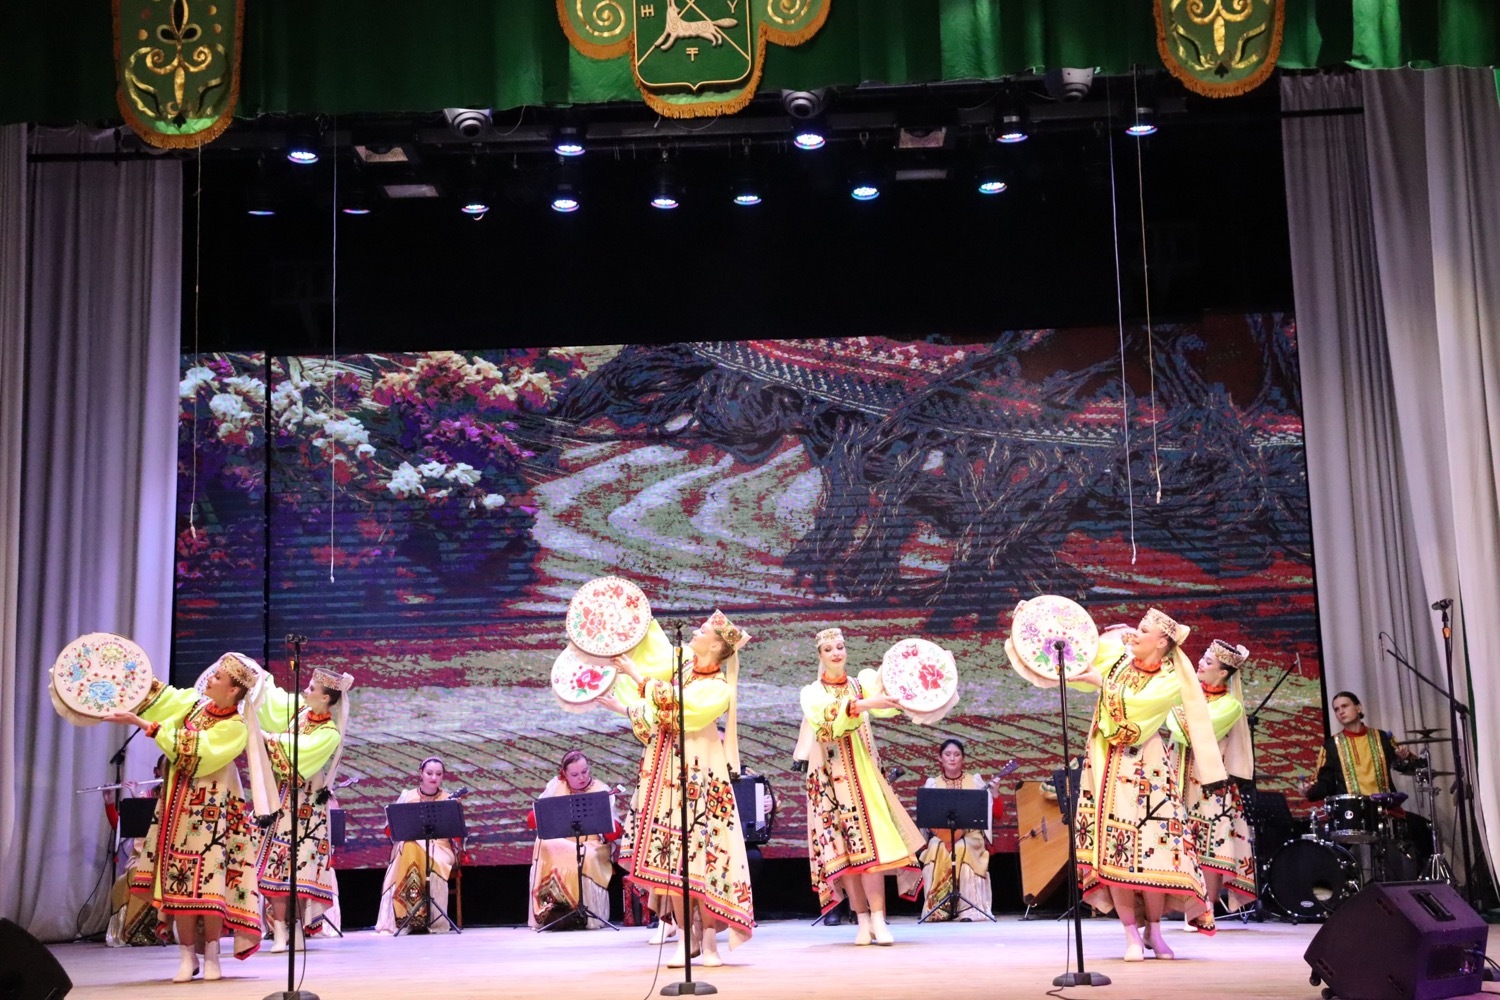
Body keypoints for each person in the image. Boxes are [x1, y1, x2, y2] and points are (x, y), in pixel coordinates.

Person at [1007, 606, 1227, 962]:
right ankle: (1131, 935)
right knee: (1113, 851)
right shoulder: (1119, 655)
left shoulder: (1171, 678)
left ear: (1162, 642)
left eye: (1144, 630)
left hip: (1148, 769)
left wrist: (1103, 683)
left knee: (1156, 851)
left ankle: (1154, 929)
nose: (1135, 633)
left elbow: (1137, 710)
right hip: (1105, 765)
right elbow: (1073, 658)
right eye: (1138, 627)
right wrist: (1033, 622)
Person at [598, 609, 755, 968]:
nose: (696, 632)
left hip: (701, 778)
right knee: (674, 863)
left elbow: (684, 711)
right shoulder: (681, 671)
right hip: (667, 775)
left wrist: (637, 676)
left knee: (706, 859)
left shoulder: (718, 688)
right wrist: (634, 619)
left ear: (715, 646)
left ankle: (709, 943)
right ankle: (685, 940)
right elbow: (657, 712)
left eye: (703, 630)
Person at [106, 653, 272, 982]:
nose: (210, 678)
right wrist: (125, 675)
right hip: (178, 813)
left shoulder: (236, 727)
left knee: (211, 884)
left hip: (214, 818)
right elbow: (163, 698)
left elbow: (200, 753)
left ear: (233, 691)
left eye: (218, 677)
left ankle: (211, 954)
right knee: (178, 882)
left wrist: (146, 726)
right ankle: (186, 956)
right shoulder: (193, 706)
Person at [799, 626, 925, 945]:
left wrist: (921, 675)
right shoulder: (812, 693)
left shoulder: (862, 683)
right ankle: (862, 920)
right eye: (829, 649)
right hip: (831, 781)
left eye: (840, 647)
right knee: (847, 855)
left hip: (864, 775)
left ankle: (879, 918)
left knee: (875, 848)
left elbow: (889, 701)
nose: (836, 653)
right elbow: (828, 724)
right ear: (820, 655)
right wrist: (865, 704)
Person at [255, 666, 354, 952]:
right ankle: (279, 930)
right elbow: (274, 702)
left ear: (325, 699)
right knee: (275, 865)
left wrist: (266, 737)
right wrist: (260, 678)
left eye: (312, 689)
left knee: (301, 868)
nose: (305, 691)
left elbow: (300, 755)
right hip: (281, 801)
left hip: (307, 807)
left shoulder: (329, 733)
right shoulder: (299, 713)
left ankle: (295, 927)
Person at [1166, 640, 1257, 923]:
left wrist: (1177, 713)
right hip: (1178, 776)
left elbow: (1190, 731)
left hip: (1209, 785)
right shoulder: (1188, 694)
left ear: (1223, 673)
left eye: (1207, 662)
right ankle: (1182, 908)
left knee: (1209, 846)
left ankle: (1205, 911)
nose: (1200, 663)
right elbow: (1177, 724)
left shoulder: (1230, 706)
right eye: (1203, 658)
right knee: (1177, 841)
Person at [527, 750, 621, 929]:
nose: (582, 778)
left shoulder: (602, 790)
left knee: (588, 855)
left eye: (585, 772)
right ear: (565, 774)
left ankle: (587, 916)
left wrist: (607, 826)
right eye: (575, 775)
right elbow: (535, 817)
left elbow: (613, 830)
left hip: (592, 843)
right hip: (561, 841)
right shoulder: (556, 785)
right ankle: (550, 911)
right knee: (542, 842)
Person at [375, 757, 461, 934]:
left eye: (438, 774)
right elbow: (392, 828)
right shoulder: (408, 796)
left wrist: (456, 811)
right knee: (409, 845)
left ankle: (429, 920)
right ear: (421, 773)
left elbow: (457, 834)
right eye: (429, 773)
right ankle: (405, 918)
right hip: (411, 844)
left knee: (411, 847)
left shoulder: (448, 799)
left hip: (440, 847)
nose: (434, 778)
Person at [918, 738, 999, 922]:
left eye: (956, 755)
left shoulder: (975, 781)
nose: (952, 758)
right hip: (943, 835)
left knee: (962, 847)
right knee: (936, 846)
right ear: (940, 758)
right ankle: (938, 909)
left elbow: (995, 814)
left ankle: (968, 910)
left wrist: (995, 795)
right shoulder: (933, 784)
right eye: (947, 754)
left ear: (963, 759)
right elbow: (927, 817)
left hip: (971, 836)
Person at [1304, 690, 1420, 800]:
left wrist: (1403, 759)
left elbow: (1409, 767)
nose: (1341, 712)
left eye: (1345, 706)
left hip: (1385, 806)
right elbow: (1325, 783)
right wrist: (1309, 791)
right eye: (1336, 709)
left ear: (1358, 708)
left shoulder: (1382, 737)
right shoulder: (1331, 745)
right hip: (1352, 809)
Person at [104, 755, 167, 948]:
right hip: (144, 857)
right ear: (157, 772)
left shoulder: (183, 798)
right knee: (137, 873)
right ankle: (134, 932)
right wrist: (110, 803)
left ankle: (167, 930)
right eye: (166, 768)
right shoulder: (145, 796)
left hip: (170, 859)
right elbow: (121, 826)